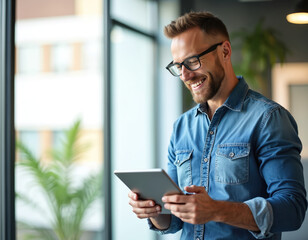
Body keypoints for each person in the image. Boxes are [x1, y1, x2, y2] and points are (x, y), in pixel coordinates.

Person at [128, 11, 307, 239]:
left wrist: (216, 210)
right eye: (178, 66)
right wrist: (153, 212)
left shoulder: (268, 118)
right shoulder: (181, 127)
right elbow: (173, 221)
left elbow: (292, 209)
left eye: (192, 61)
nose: (185, 75)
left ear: (225, 51)